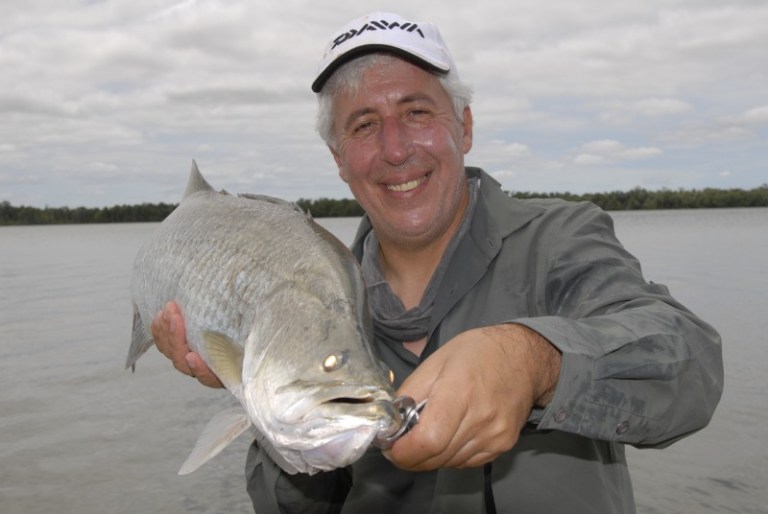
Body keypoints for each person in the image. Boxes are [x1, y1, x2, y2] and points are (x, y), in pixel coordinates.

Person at [151, 12, 724, 514]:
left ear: (465, 128)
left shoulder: (561, 237)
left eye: (417, 112)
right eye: (364, 125)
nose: (396, 149)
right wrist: (264, 402)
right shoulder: (306, 304)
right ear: (339, 159)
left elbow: (691, 364)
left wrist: (533, 360)